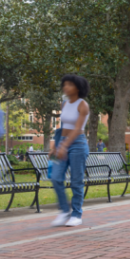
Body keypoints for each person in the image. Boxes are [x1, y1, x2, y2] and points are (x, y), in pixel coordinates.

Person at [50, 74, 91, 228]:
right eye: (64, 84)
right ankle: (64, 211)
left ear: (78, 88)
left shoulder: (83, 105)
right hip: (63, 141)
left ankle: (76, 214)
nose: (65, 87)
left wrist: (64, 146)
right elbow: (62, 127)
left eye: (70, 84)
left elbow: (77, 128)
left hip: (77, 144)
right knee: (55, 177)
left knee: (76, 181)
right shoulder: (64, 104)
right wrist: (56, 146)